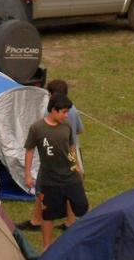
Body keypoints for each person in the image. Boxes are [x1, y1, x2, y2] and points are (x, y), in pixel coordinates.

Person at [23, 94, 88, 249]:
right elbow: (29, 150)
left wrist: (76, 164)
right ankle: (47, 247)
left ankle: (82, 241)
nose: (66, 115)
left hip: (71, 176)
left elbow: (71, 147)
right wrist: (27, 174)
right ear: (53, 110)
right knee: (48, 214)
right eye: (64, 112)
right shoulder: (37, 128)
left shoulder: (66, 126)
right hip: (49, 180)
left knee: (82, 206)